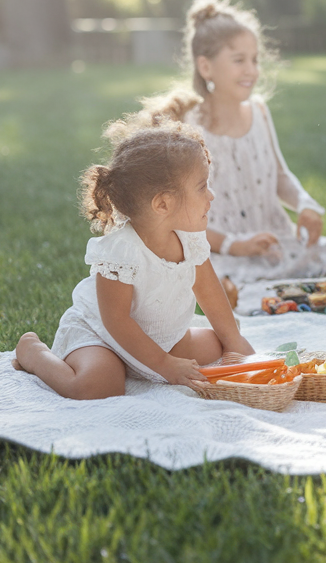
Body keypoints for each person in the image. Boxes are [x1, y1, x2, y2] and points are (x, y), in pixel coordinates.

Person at [14, 120, 255, 399]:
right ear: (162, 204)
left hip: (163, 338)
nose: (211, 196)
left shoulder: (190, 238)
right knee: (97, 386)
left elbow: (209, 291)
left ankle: (144, 363)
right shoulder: (121, 251)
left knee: (220, 342)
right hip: (104, 337)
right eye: (202, 187)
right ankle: (33, 353)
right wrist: (165, 365)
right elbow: (116, 321)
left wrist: (234, 342)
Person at [140, 0, 326, 294]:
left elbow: (280, 177)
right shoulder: (189, 128)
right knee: (236, 293)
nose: (251, 70)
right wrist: (236, 245)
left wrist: (305, 204)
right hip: (221, 253)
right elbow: (178, 217)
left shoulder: (259, 111)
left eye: (255, 60)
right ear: (206, 67)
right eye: (239, 61)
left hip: (276, 243)